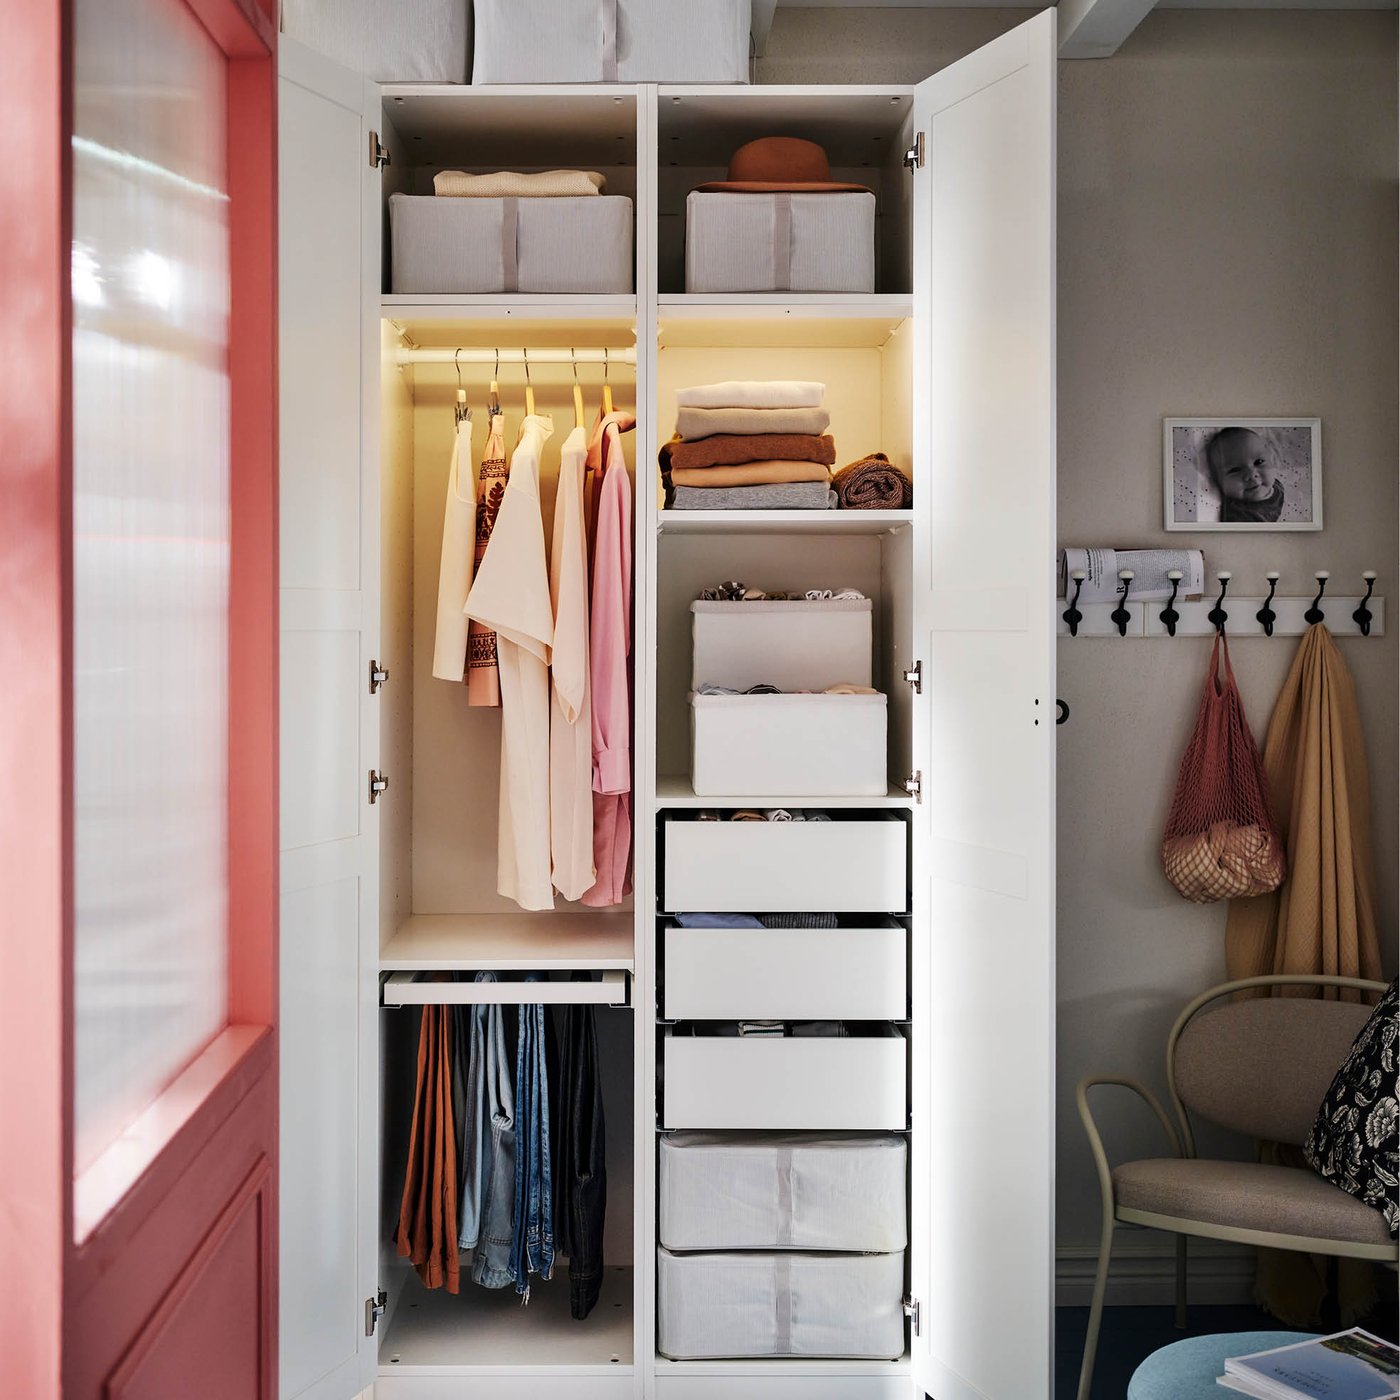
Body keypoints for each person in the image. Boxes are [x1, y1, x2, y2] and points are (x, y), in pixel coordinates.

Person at [1206, 426, 1285, 523]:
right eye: (1235, 470)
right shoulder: (1237, 516)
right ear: (1217, 481)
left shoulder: (1277, 486)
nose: (1252, 474)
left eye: (1259, 462)